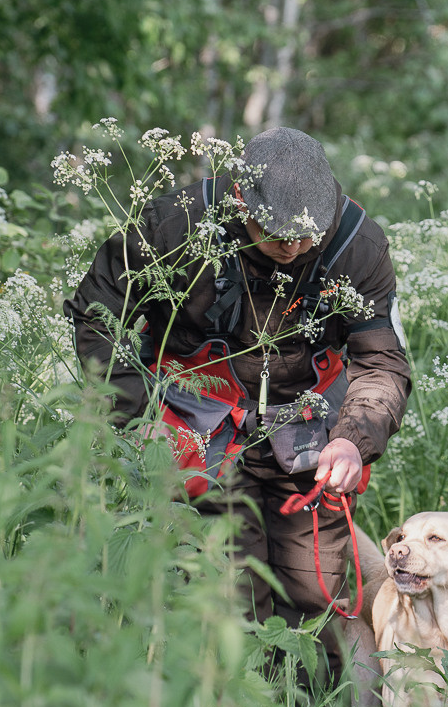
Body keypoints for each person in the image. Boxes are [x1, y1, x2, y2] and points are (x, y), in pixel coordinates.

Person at [64, 127, 411, 642]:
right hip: (194, 429)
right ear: (238, 200)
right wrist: (139, 419)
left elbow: (382, 363)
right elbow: (98, 318)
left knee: (315, 602)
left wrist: (353, 439)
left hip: (310, 434)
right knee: (229, 595)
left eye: (305, 235)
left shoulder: (359, 247)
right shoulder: (173, 223)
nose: (292, 248)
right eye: (275, 234)